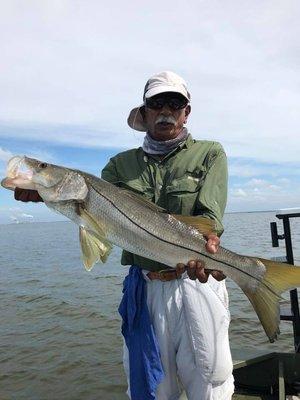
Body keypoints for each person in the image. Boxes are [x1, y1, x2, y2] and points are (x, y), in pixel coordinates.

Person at [15, 71, 234, 400]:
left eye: (175, 103)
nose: (166, 110)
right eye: (156, 102)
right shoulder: (117, 167)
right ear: (144, 112)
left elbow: (209, 219)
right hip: (145, 288)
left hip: (198, 282)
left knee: (211, 384)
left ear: (186, 111)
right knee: (151, 389)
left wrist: (210, 241)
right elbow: (95, 224)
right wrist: (46, 194)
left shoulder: (209, 154)